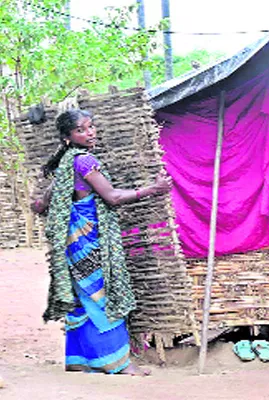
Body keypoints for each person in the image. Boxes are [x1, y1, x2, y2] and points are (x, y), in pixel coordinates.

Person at [31, 109, 172, 376]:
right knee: (102, 295)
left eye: (91, 127)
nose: (90, 132)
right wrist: (152, 189)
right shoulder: (83, 161)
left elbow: (44, 203)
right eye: (81, 130)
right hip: (90, 241)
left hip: (72, 243)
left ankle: (80, 359)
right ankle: (117, 363)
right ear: (67, 138)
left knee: (82, 298)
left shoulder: (65, 163)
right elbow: (113, 197)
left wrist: (37, 204)